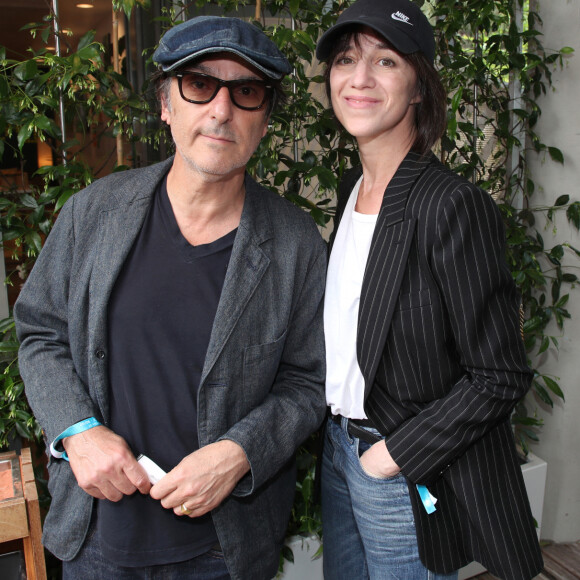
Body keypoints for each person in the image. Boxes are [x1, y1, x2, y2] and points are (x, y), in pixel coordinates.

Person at [14, 15, 327, 580]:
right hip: (96, 539)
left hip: (221, 553)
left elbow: (308, 380)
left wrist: (239, 453)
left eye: (247, 92)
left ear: (264, 121)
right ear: (166, 105)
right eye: (200, 85)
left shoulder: (295, 244)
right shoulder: (94, 213)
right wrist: (76, 431)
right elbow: (40, 331)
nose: (221, 110)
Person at [316, 0, 543, 579]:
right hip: (339, 453)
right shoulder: (352, 190)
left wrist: (391, 458)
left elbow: (500, 375)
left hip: (400, 467)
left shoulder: (450, 205)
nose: (359, 77)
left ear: (419, 87)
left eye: (385, 61)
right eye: (346, 59)